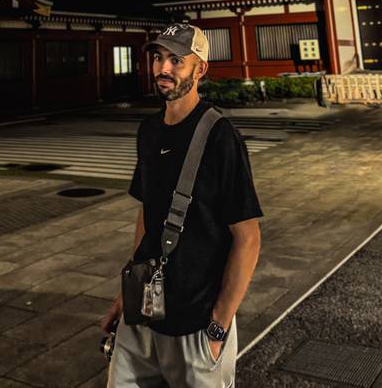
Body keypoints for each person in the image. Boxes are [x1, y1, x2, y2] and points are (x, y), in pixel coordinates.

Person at [100, 23, 263, 388]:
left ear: (200, 69)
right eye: (158, 58)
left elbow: (248, 238)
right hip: (142, 313)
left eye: (176, 60)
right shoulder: (149, 130)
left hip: (196, 318)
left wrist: (219, 324)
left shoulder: (220, 136)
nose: (163, 69)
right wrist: (126, 293)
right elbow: (147, 213)